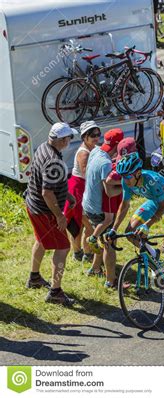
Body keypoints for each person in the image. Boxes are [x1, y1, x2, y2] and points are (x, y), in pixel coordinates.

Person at [108, 152, 164, 303]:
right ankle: (153, 253)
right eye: (122, 177)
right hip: (154, 201)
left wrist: (147, 226)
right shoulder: (127, 181)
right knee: (130, 232)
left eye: (128, 176)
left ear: (137, 173)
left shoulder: (152, 180)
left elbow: (162, 208)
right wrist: (114, 229)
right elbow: (124, 206)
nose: (125, 180)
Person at [25, 122, 78, 306]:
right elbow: (47, 193)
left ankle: (34, 278)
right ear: (62, 140)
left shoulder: (43, 147)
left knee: (40, 240)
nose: (70, 140)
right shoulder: (54, 161)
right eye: (69, 138)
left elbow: (48, 182)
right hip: (44, 211)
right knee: (63, 247)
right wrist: (59, 216)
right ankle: (55, 292)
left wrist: (68, 195)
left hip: (32, 205)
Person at [82, 128, 124, 287]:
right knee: (109, 244)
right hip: (98, 210)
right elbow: (110, 192)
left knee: (101, 238)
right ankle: (111, 281)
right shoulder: (106, 163)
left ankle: (94, 269)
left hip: (87, 204)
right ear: (118, 145)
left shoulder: (96, 150)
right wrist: (128, 187)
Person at [64, 121, 100, 263]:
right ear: (84, 137)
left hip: (83, 187)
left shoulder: (94, 147)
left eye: (98, 134)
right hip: (79, 189)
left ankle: (79, 252)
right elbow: (87, 175)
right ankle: (85, 253)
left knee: (81, 223)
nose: (96, 138)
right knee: (85, 225)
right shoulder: (84, 153)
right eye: (93, 135)